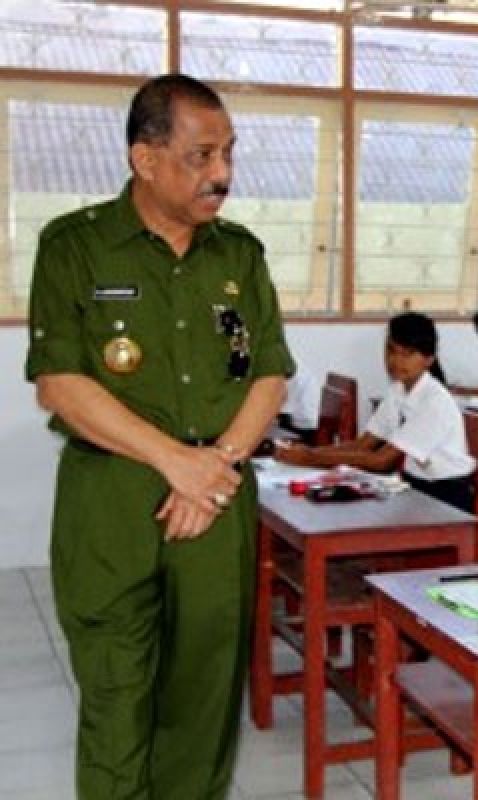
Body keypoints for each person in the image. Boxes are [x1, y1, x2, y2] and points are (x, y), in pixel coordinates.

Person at [24, 74, 293, 798]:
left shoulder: (240, 255)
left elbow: (269, 372)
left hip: (218, 496)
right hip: (112, 500)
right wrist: (180, 464)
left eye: (229, 154)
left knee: (204, 706)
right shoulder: (75, 246)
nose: (223, 175)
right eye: (202, 156)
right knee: (115, 703)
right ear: (145, 159)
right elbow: (60, 383)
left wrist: (217, 467)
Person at [275, 313, 475, 512]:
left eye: (408, 353)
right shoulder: (398, 390)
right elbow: (364, 444)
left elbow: (382, 460)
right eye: (391, 350)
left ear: (429, 359)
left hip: (447, 496)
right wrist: (309, 453)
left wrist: (310, 458)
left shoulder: (434, 401)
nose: (396, 361)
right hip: (415, 486)